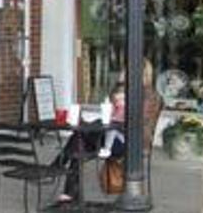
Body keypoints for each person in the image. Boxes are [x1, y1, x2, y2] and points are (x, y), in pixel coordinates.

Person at [53, 60, 162, 204]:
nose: (126, 73)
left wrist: (120, 108)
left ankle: (59, 167)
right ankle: (70, 192)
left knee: (80, 136)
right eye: (126, 70)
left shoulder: (149, 95)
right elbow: (110, 110)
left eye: (129, 70)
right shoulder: (123, 89)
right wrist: (119, 86)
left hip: (130, 143)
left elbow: (135, 121)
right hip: (112, 136)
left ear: (142, 74)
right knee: (79, 141)